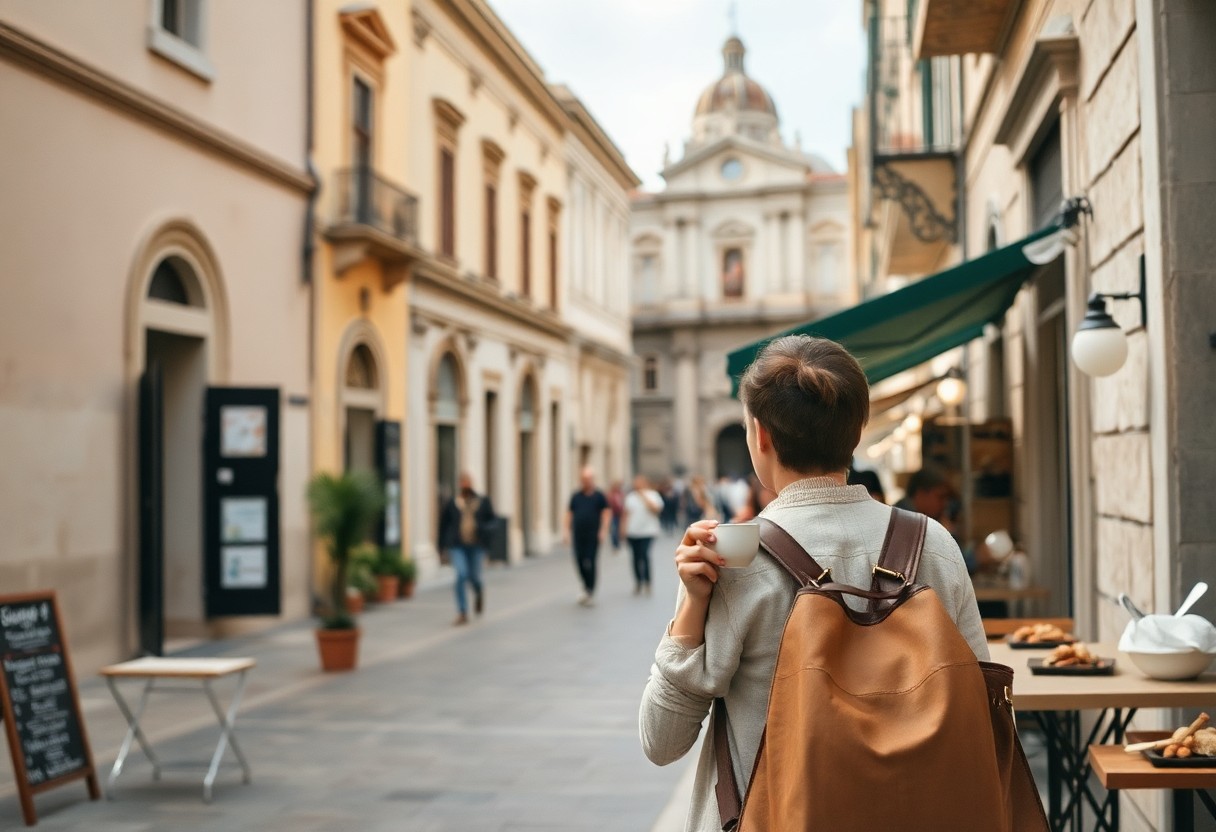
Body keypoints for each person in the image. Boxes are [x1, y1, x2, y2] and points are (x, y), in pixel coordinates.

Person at [639, 334, 987, 832]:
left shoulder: (733, 558)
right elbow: (985, 709)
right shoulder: (932, 544)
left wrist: (691, 609)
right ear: (858, 429)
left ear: (759, 435)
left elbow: (662, 740)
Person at [437, 472, 495, 626]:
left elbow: (492, 521)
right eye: (462, 483)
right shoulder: (453, 503)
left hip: (477, 546)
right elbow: (443, 525)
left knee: (474, 577)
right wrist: (441, 547)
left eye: (467, 482)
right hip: (457, 546)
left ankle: (478, 591)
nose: (465, 486)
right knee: (461, 575)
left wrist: (483, 530)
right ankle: (462, 611)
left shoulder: (483, 502)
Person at [563, 466, 611, 606]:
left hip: (593, 535)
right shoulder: (576, 496)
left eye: (588, 479)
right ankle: (585, 585)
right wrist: (566, 531)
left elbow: (606, 514)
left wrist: (603, 531)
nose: (586, 481)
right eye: (584, 479)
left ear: (592, 480)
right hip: (578, 534)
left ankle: (590, 590)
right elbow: (569, 514)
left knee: (590, 561)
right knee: (579, 561)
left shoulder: (599, 496)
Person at [621, 474, 663, 595]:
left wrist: (644, 496)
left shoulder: (653, 495)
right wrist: (623, 529)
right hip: (633, 532)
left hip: (648, 532)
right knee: (635, 557)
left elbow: (656, 509)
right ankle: (638, 581)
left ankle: (647, 581)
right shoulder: (630, 497)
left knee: (644, 555)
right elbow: (625, 514)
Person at [607, 480, 626, 551]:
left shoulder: (621, 494)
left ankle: (617, 543)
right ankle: (614, 544)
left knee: (618, 528)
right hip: (612, 514)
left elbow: (623, 503)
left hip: (619, 514)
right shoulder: (610, 494)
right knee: (614, 529)